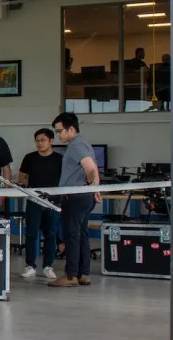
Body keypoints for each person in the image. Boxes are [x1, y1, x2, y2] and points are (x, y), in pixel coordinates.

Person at [49, 112, 103, 288]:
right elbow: (94, 167)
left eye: (60, 131)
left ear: (71, 129)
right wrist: (95, 187)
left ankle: (71, 275)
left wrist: (93, 184)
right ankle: (83, 274)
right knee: (82, 235)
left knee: (72, 235)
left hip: (74, 197)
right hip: (84, 196)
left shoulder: (75, 145)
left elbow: (90, 167)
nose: (58, 135)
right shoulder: (84, 143)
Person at [19, 129, 63, 279]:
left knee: (51, 234)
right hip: (34, 201)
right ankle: (30, 265)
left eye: (43, 140)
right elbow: (22, 175)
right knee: (31, 233)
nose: (39, 143)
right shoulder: (29, 158)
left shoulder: (59, 159)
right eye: (37, 140)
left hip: (52, 202)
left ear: (51, 141)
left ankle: (48, 266)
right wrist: (29, 189)